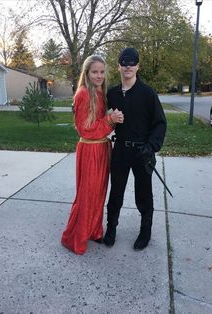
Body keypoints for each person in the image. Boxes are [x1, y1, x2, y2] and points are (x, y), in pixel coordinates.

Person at [103, 47, 167, 251]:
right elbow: (98, 115)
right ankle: (111, 229)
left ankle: (145, 232)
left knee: (143, 195)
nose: (128, 66)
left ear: (138, 66)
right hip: (120, 150)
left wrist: (151, 146)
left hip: (142, 152)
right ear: (119, 66)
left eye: (132, 63)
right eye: (124, 63)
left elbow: (160, 123)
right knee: (116, 194)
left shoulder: (148, 93)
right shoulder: (111, 94)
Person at [61, 55, 124, 255]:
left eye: (102, 72)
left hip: (102, 149)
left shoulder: (99, 92)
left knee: (98, 194)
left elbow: (101, 124)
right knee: (87, 196)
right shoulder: (83, 94)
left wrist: (111, 119)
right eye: (94, 72)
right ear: (86, 73)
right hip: (89, 150)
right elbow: (85, 130)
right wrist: (110, 120)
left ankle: (94, 230)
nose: (99, 76)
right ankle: (76, 238)